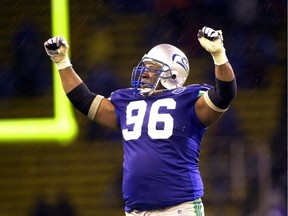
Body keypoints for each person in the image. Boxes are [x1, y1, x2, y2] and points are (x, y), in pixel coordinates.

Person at [44, 26, 237, 216]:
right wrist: (62, 63)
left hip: (180, 208)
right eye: (145, 66)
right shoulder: (127, 101)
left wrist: (219, 55)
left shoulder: (187, 99)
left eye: (153, 68)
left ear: (173, 75)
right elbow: (85, 101)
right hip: (137, 211)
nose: (144, 72)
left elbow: (224, 94)